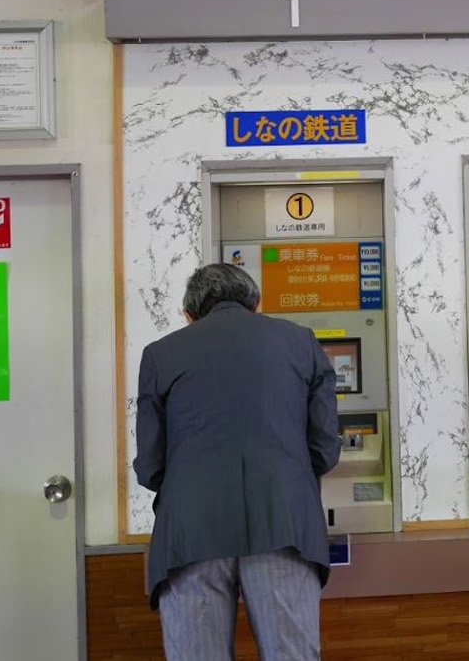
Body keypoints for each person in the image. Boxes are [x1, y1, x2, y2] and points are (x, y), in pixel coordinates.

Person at [135, 263, 341, 661]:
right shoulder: (301, 343)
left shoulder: (160, 354)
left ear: (188, 315)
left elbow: (150, 467)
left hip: (190, 533)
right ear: (257, 304)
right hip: (283, 523)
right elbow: (324, 450)